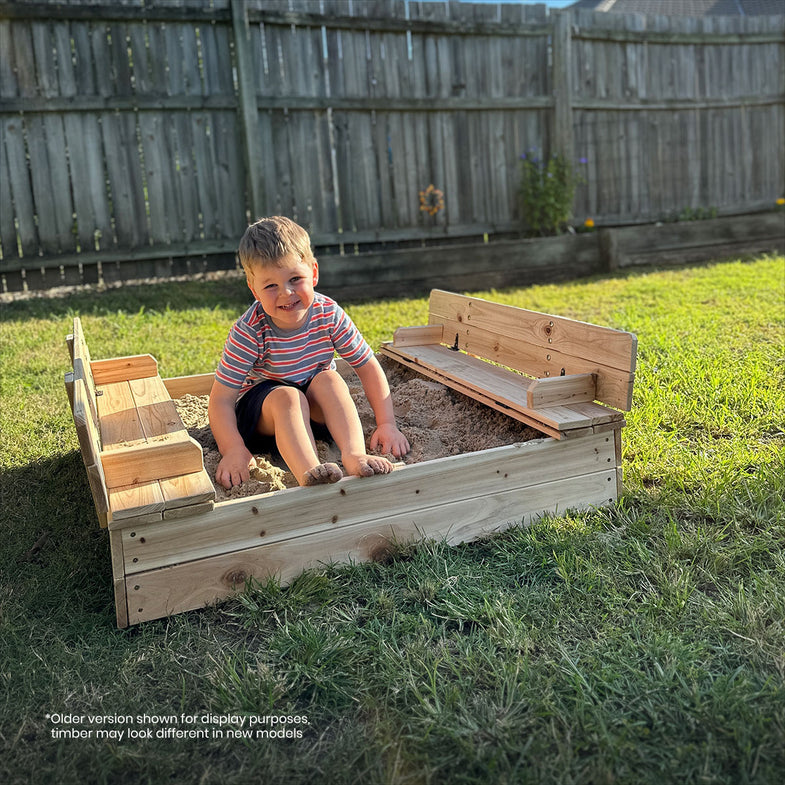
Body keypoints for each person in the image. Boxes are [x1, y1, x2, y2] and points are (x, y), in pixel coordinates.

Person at [208, 216, 410, 489]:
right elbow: (221, 399)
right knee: (288, 397)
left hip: (314, 413)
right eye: (270, 286)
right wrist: (232, 449)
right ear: (253, 288)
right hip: (264, 418)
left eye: (295, 279)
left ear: (313, 272)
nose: (286, 293)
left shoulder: (327, 313)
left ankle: (353, 455)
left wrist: (387, 423)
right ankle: (310, 471)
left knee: (330, 379)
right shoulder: (250, 330)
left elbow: (367, 366)